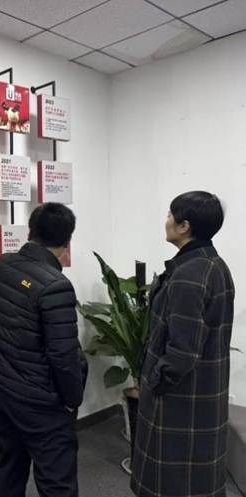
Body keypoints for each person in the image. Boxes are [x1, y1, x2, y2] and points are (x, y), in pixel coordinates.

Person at [131, 191, 235, 497]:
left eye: (169, 215)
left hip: (180, 399)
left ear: (184, 226)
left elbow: (182, 352)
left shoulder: (190, 274)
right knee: (197, 477)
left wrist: (154, 383)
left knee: (173, 481)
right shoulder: (213, 264)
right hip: (202, 391)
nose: (166, 220)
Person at [0, 202, 88, 497]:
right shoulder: (56, 285)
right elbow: (63, 355)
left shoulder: (5, 265)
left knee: (10, 466)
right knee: (57, 483)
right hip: (41, 403)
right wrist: (72, 400)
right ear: (67, 241)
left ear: (30, 231)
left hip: (3, 389)